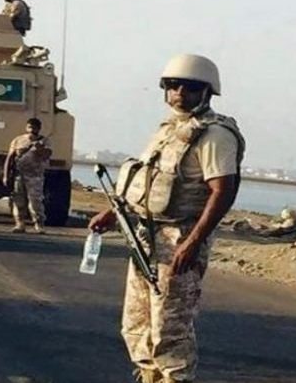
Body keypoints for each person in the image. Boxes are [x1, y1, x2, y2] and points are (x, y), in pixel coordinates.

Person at [88, 54, 245, 383]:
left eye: (190, 87)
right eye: (173, 85)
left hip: (179, 238)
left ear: (207, 91)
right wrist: (114, 213)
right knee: (136, 324)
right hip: (145, 237)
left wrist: (193, 241)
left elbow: (223, 191)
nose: (180, 93)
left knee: (169, 329)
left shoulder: (215, 135)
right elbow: (147, 181)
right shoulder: (169, 130)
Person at [4, 118, 52, 234]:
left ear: (39, 129)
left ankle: (39, 224)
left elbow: (47, 154)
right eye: (30, 127)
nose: (32, 130)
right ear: (26, 128)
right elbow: (10, 158)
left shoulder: (45, 141)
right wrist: (6, 175)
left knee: (35, 202)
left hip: (35, 176)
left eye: (34, 127)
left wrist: (39, 148)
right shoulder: (18, 140)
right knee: (18, 200)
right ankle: (19, 224)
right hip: (19, 175)